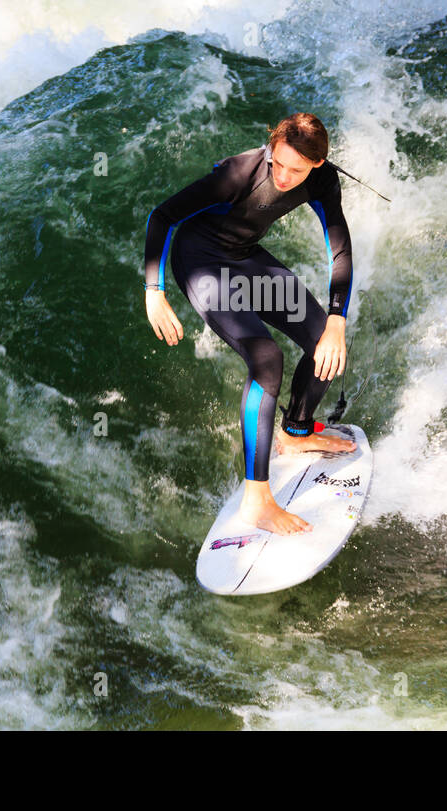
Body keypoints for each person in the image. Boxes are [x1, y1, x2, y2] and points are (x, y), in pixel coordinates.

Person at [143, 113, 357, 535]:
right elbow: (163, 215)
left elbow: (341, 251)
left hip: (242, 256)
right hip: (201, 263)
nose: (282, 176)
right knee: (267, 359)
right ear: (271, 147)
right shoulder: (239, 174)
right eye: (277, 163)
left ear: (316, 164)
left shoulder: (322, 180)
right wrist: (155, 291)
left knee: (322, 342)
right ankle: (257, 500)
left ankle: (295, 431)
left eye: (295, 170)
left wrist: (337, 320)